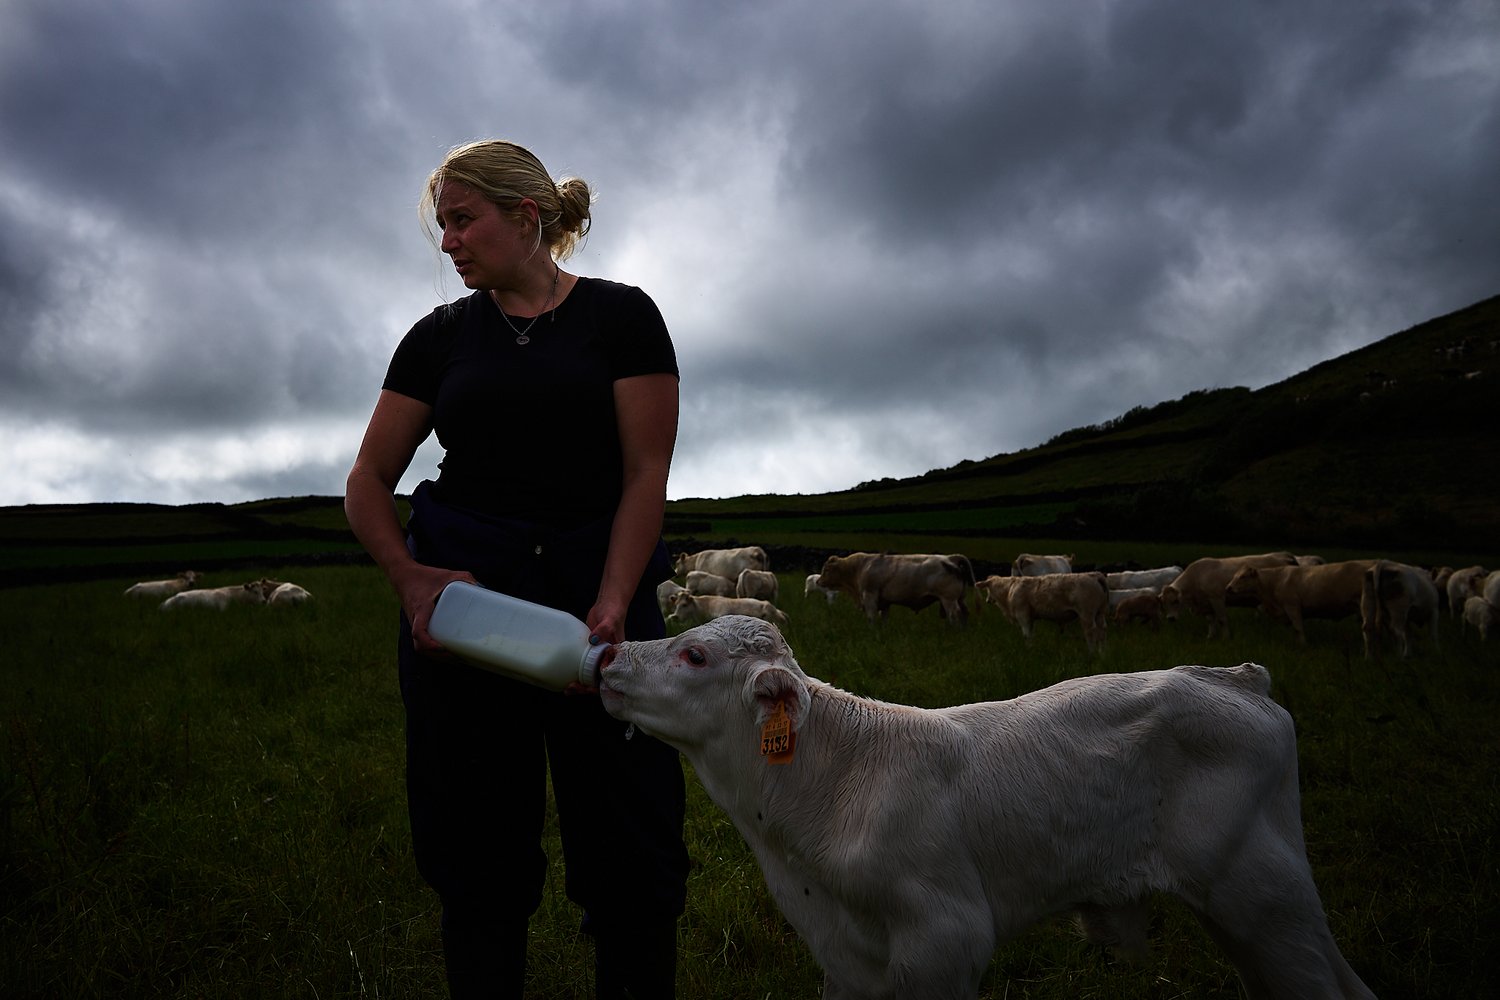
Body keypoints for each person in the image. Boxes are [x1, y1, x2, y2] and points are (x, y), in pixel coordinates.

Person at [345, 139, 689, 999]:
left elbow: (646, 471)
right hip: (466, 623)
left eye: (463, 220)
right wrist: (413, 582)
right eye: (442, 226)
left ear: (527, 216)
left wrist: (612, 601)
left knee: (632, 855)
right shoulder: (438, 339)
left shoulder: (622, 317)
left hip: (598, 613)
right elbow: (365, 482)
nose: (448, 242)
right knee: (476, 861)